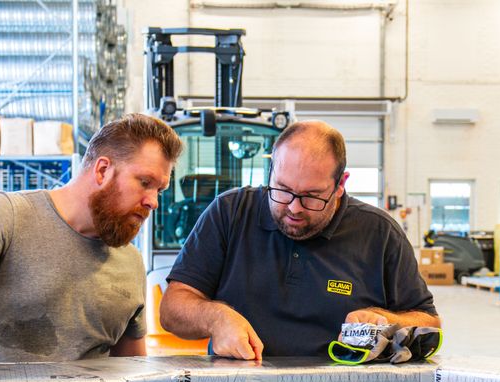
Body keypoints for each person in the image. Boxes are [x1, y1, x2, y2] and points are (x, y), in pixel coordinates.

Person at [0, 113, 183, 371]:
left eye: (160, 189)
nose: (153, 202)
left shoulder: (130, 263)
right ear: (102, 171)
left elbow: (130, 370)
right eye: (145, 182)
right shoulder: (7, 216)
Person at [160, 120, 440, 360]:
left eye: (311, 196)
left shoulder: (380, 234)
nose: (294, 207)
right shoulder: (229, 213)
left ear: (341, 184)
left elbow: (430, 324)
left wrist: (386, 321)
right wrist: (216, 318)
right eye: (282, 190)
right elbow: (172, 309)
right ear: (271, 171)